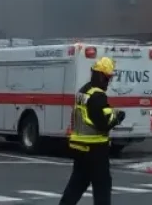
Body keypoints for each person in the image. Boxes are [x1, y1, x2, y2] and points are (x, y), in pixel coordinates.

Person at [59, 56, 124, 205]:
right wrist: (117, 118)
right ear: (101, 76)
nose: (109, 82)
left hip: (79, 147)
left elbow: (89, 116)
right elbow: (102, 124)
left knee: (76, 185)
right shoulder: (98, 96)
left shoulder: (84, 91)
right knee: (102, 187)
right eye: (108, 78)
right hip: (95, 150)